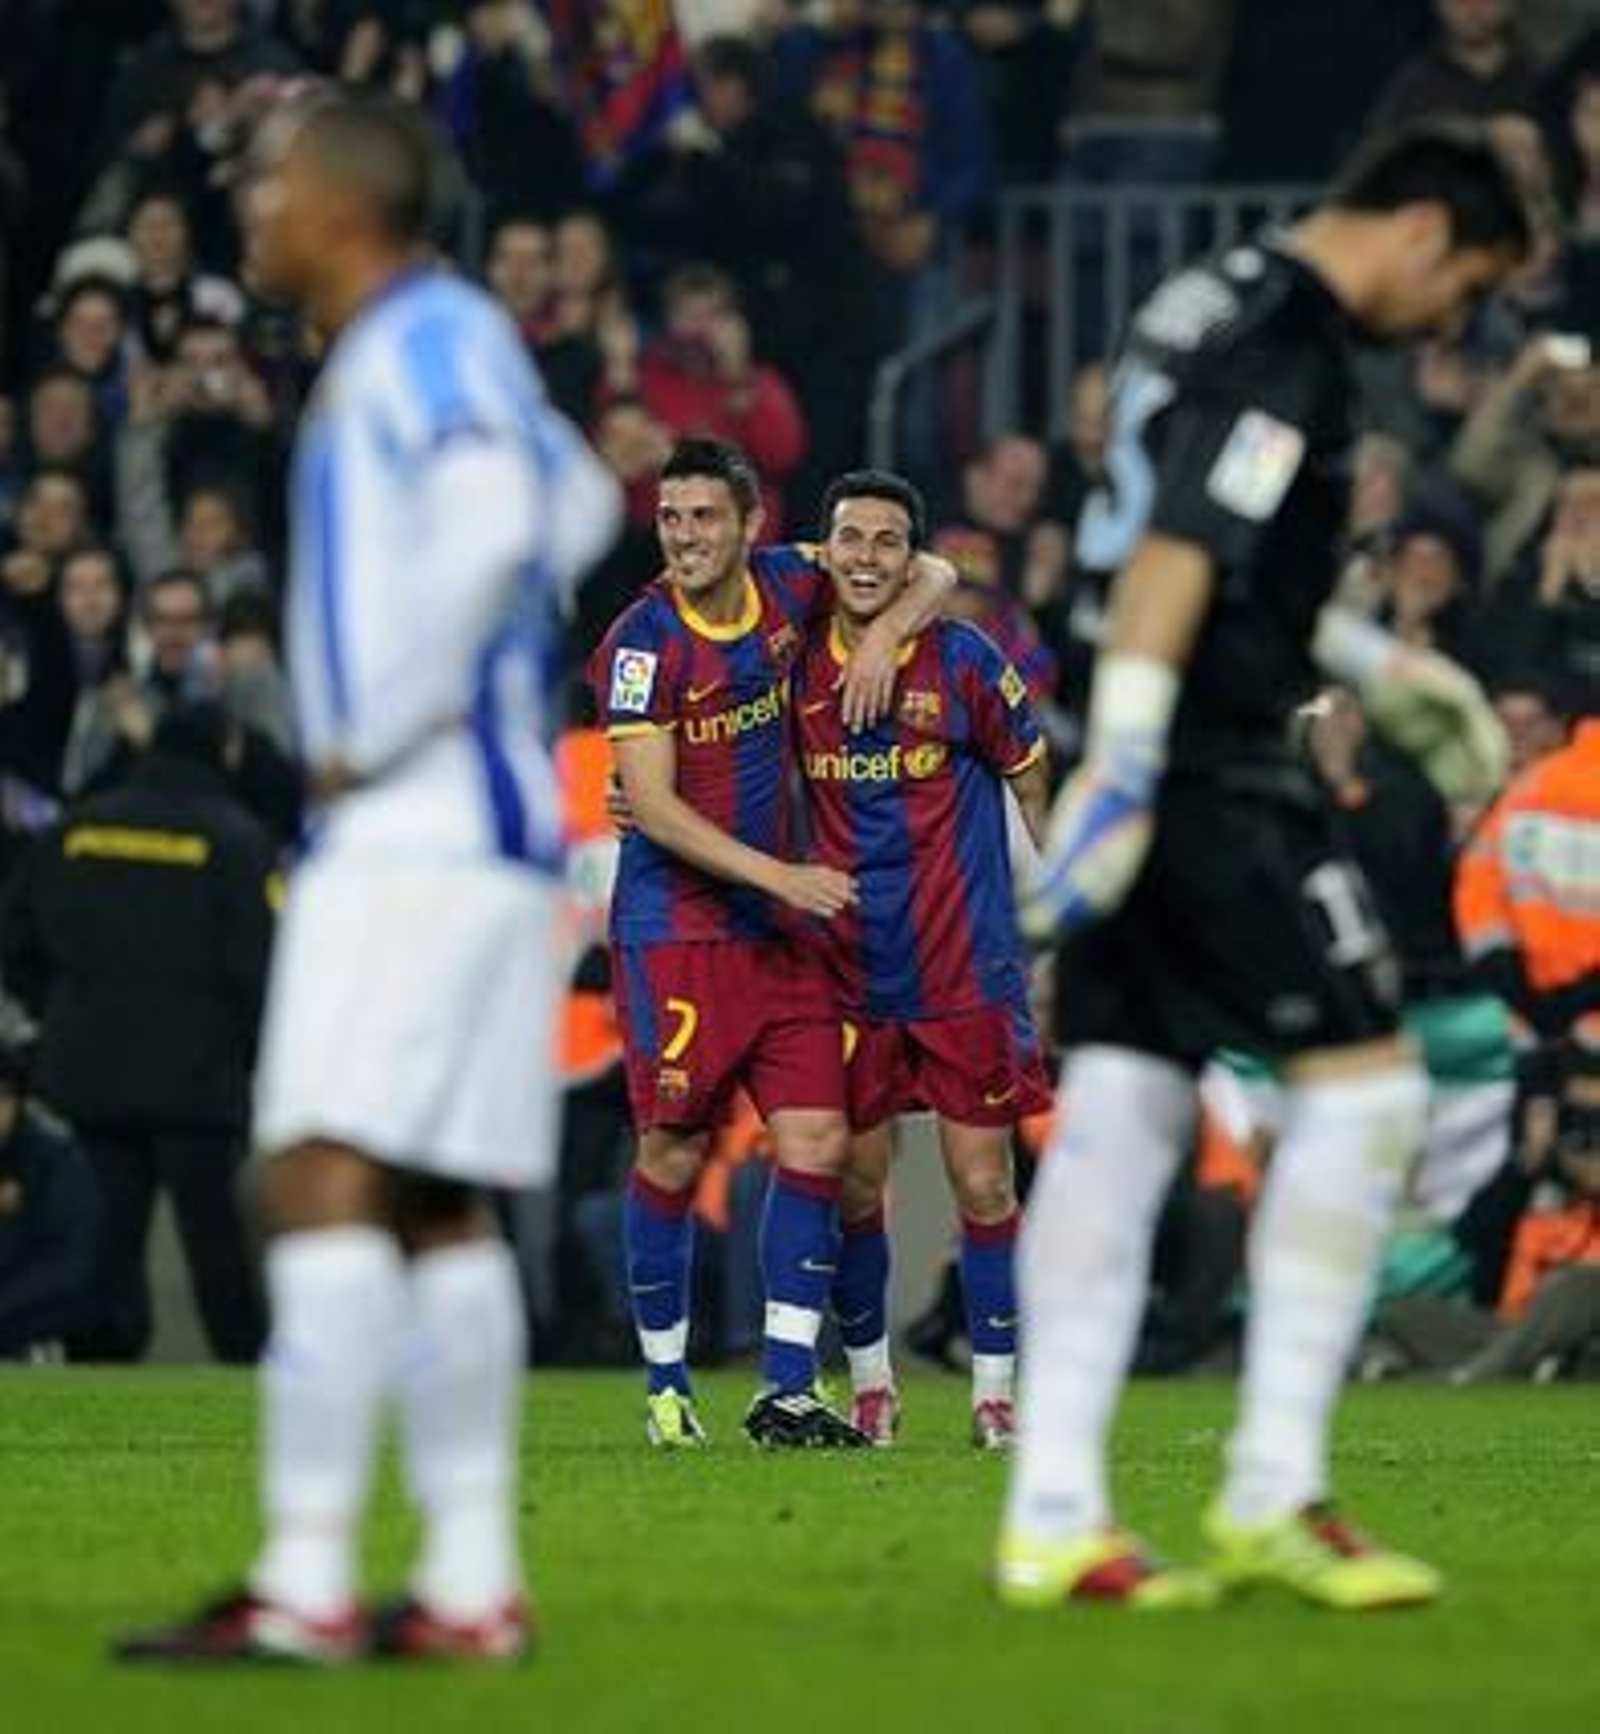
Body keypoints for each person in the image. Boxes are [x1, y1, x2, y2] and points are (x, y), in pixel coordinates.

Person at [114, 89, 619, 1664]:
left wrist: (369, 727)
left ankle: (307, 1580)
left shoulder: (417, 334)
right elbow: (583, 495)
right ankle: (470, 1588)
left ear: (343, 201)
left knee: (314, 1173)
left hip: (410, 821)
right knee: (431, 1204)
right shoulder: (448, 339)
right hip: (474, 829)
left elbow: (489, 527)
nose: (248, 209)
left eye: (268, 181)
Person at [1000, 119, 1531, 1612]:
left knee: (1121, 1103)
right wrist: (1132, 763)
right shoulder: (1290, 339)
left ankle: (1051, 1516)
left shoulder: (1199, 295)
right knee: (1369, 1088)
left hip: (1150, 721)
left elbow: (1203, 551)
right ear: (1424, 229)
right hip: (1208, 766)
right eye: (1471, 285)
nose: (1458, 321)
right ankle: (1274, 1489)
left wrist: (1372, 658)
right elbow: (1180, 548)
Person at [590, 435, 951, 1450]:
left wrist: (883, 642)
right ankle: (667, 1388)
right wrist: (779, 876)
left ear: (751, 525)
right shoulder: (639, 643)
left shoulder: (794, 584)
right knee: (671, 1152)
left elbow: (933, 568)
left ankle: (786, 1386)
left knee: (820, 1144)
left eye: (705, 518)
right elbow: (652, 809)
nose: (686, 538)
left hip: (780, 937)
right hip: (677, 932)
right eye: (670, 519)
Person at [791, 469, 1052, 1448]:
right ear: (826, 551)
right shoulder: (793, 660)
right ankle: (872, 1386)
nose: (867, 557)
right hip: (847, 968)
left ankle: (994, 1394)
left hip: (960, 966)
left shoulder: (967, 662)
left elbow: (1030, 777)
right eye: (849, 538)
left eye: (887, 542)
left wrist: (1063, 899)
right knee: (858, 1189)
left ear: (910, 558)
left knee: (984, 1184)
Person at [1, 702, 274, 1365]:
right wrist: (241, 1049)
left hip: (89, 1074)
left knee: (106, 1242)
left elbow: (13, 938)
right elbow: (264, 971)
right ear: (225, 747)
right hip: (198, 1082)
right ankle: (249, 1371)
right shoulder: (236, 839)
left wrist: (64, 1006)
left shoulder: (78, 829)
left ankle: (106, 1367)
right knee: (217, 1245)